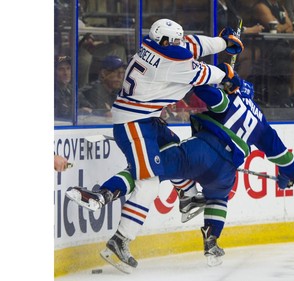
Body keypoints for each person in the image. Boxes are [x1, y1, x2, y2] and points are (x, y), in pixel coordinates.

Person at [66, 64, 294, 272]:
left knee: (148, 167)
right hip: (226, 172)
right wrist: (288, 177)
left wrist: (217, 77)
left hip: (202, 151)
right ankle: (211, 243)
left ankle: (105, 193)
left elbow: (200, 88)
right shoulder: (262, 124)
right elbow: (284, 158)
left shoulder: (229, 99)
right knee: (218, 199)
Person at [66, 18, 244, 271]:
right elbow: (204, 74)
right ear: (162, 40)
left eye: (178, 40)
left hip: (145, 120)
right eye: (173, 40)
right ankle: (120, 237)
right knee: (148, 182)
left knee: (175, 151)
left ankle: (187, 197)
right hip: (134, 124)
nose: (178, 43)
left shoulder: (153, 47)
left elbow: (193, 45)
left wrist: (222, 42)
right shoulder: (172, 64)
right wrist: (228, 74)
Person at [247, 0, 294, 107]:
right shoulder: (261, 6)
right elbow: (275, 28)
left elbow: (290, 26)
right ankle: (292, 90)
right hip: (268, 49)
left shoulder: (280, 7)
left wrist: (282, 27)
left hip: (283, 47)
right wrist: (284, 26)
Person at [54, 55, 92, 121]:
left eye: (68, 68)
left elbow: (88, 107)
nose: (66, 73)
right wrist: (80, 111)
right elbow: (60, 112)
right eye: (61, 69)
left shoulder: (72, 89)